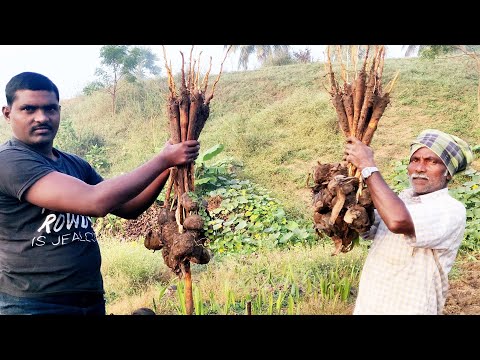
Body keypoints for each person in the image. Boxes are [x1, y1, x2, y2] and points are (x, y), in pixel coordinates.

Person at [0, 72, 200, 315]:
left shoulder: (74, 164)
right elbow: (95, 201)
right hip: (34, 303)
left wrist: (169, 166)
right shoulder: (9, 162)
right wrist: (161, 160)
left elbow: (129, 207)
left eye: (50, 109)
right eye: (28, 109)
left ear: (59, 111)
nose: (41, 117)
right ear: (8, 113)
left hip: (89, 297)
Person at [344, 129, 473, 315]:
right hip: (370, 305)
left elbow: (397, 221)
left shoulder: (450, 209)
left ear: (448, 173)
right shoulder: (400, 200)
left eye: (432, 161)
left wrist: (367, 165)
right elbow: (367, 225)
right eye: (415, 160)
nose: (420, 168)